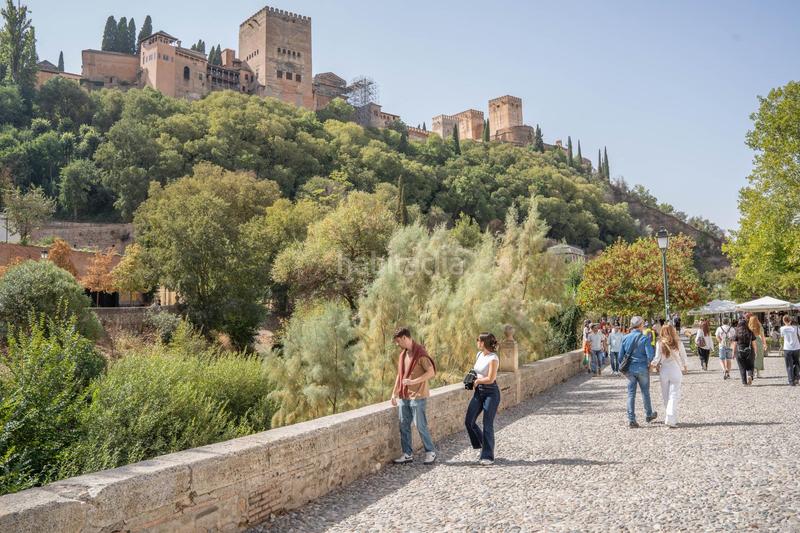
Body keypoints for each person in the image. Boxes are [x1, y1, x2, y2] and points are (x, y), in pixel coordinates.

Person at [390, 327, 437, 465]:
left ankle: (430, 452)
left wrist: (413, 381)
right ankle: (407, 454)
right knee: (404, 425)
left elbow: (431, 372)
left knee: (420, 425)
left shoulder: (420, 353)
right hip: (404, 395)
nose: (397, 344)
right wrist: (394, 393)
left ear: (405, 338)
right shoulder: (403, 355)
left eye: (398, 341)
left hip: (418, 395)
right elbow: (400, 374)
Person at [464, 332, 501, 466]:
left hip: (491, 393)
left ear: (483, 342)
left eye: (478, 340)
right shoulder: (479, 355)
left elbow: (491, 378)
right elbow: (477, 371)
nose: (477, 342)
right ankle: (483, 443)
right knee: (469, 421)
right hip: (479, 392)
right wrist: (472, 378)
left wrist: (478, 381)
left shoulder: (493, 358)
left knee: (487, 424)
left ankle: (488, 456)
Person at [619, 316, 657, 428]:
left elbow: (621, 356)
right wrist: (649, 364)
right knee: (645, 392)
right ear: (640, 325)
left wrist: (625, 369)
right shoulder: (644, 338)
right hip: (642, 368)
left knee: (631, 395)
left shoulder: (625, 338)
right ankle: (649, 414)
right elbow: (650, 355)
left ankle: (631, 419)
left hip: (630, 369)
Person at [651, 323, 688, 428]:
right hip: (675, 370)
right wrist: (685, 366)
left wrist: (652, 365)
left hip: (664, 371)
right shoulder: (678, 342)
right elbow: (684, 356)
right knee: (674, 395)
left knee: (666, 396)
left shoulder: (659, 343)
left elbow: (657, 358)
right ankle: (671, 418)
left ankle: (670, 418)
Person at [733, 318, 757, 385]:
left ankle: (744, 382)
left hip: (739, 351)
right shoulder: (750, 332)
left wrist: (733, 353)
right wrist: (755, 352)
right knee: (750, 365)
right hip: (749, 351)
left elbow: (734, 344)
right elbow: (754, 343)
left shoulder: (737, 332)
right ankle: (750, 375)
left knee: (741, 367)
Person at [780, 315, 800, 386]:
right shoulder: (796, 328)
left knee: (789, 365)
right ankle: (797, 378)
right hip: (796, 347)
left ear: (783, 321)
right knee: (796, 363)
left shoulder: (782, 328)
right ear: (790, 320)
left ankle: (791, 381)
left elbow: (782, 336)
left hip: (787, 348)